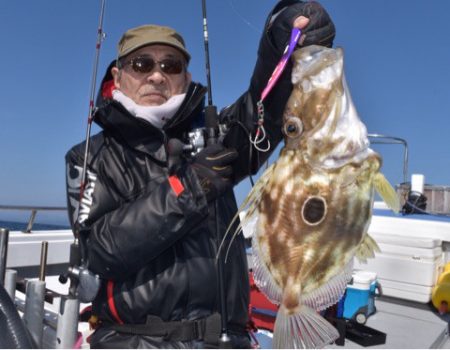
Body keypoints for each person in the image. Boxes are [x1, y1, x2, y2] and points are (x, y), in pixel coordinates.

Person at [65, 1, 335, 348]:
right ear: (118, 76)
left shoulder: (216, 137)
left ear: (186, 77)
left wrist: (284, 40)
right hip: (133, 341)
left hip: (226, 340)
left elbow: (262, 111)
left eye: (171, 65)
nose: (157, 75)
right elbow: (99, 251)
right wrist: (190, 188)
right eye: (142, 64)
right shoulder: (89, 155)